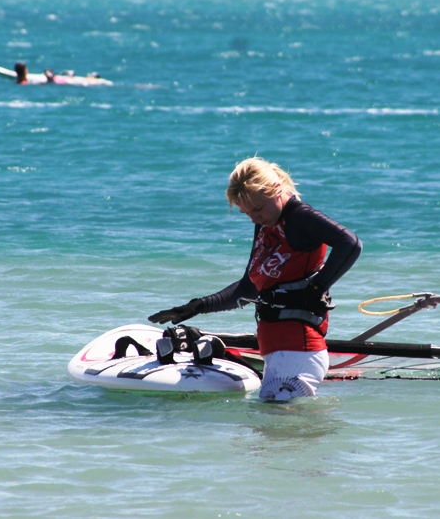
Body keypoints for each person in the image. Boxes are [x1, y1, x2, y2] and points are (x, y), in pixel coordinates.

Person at [148, 157, 362, 402]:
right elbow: (249, 287)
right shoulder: (266, 224)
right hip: (278, 354)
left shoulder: (299, 218)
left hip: (298, 352)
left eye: (257, 209)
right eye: (246, 212)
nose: (253, 218)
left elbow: (351, 243)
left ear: (277, 190)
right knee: (274, 437)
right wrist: (196, 307)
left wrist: (316, 288)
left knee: (279, 434)